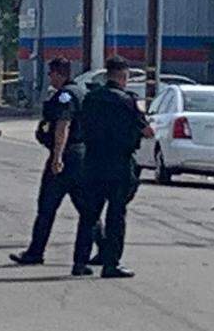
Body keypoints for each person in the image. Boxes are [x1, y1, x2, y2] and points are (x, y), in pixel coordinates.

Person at [10, 57, 95, 271]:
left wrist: (57, 157)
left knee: (47, 206)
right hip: (81, 157)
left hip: (66, 156)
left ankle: (35, 252)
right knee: (86, 208)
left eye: (51, 74)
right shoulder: (81, 93)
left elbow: (63, 126)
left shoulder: (65, 96)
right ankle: (103, 247)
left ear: (59, 74)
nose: (50, 78)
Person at [72, 55, 152, 278]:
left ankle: (79, 262)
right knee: (116, 215)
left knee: (89, 215)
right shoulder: (127, 101)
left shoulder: (91, 98)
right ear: (124, 76)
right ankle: (111, 264)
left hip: (92, 161)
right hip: (118, 163)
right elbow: (147, 131)